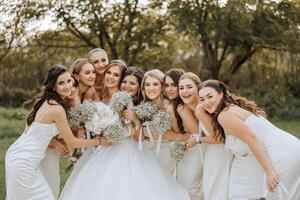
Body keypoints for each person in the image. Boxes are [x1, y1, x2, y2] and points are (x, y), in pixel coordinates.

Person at [59, 68, 190, 200]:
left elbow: (139, 137)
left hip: (132, 149)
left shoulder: (142, 105)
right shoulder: (112, 99)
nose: (127, 86)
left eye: (132, 83)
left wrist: (134, 120)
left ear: (139, 86)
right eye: (125, 82)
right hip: (107, 148)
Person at [5, 65, 105, 200]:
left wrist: (56, 143)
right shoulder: (56, 109)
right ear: (53, 86)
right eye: (61, 83)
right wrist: (99, 141)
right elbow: (72, 142)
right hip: (23, 160)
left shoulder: (46, 102)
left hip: (20, 155)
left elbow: (32, 131)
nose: (68, 86)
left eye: (69, 81)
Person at [198, 79, 300, 199]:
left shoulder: (223, 116)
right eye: (202, 99)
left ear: (221, 94)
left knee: (279, 195)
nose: (206, 102)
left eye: (210, 96)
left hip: (280, 153)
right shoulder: (233, 107)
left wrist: (269, 171)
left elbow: (252, 140)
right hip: (290, 145)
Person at [179, 73, 232, 200]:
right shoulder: (196, 107)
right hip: (212, 150)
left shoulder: (202, 108)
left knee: (215, 190)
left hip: (219, 151)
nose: (184, 91)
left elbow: (218, 138)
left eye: (189, 87)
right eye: (181, 88)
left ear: (198, 89)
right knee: (210, 189)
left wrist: (197, 139)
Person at [163, 69, 203, 200]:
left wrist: (175, 136)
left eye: (174, 85)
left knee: (191, 189)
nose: (170, 89)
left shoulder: (181, 106)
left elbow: (196, 133)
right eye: (167, 85)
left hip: (195, 150)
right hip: (187, 150)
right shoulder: (178, 104)